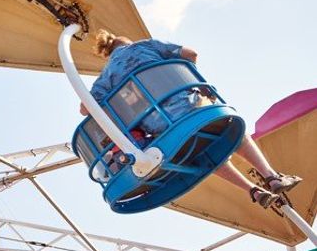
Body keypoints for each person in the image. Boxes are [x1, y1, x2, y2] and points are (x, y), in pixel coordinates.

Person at [82, 30, 300, 208]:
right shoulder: (145, 46)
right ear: (128, 42)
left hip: (160, 129)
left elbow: (86, 108)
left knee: (208, 155)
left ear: (109, 54)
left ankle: (252, 191)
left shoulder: (106, 76)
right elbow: (191, 54)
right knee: (235, 131)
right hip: (190, 108)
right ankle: (271, 177)